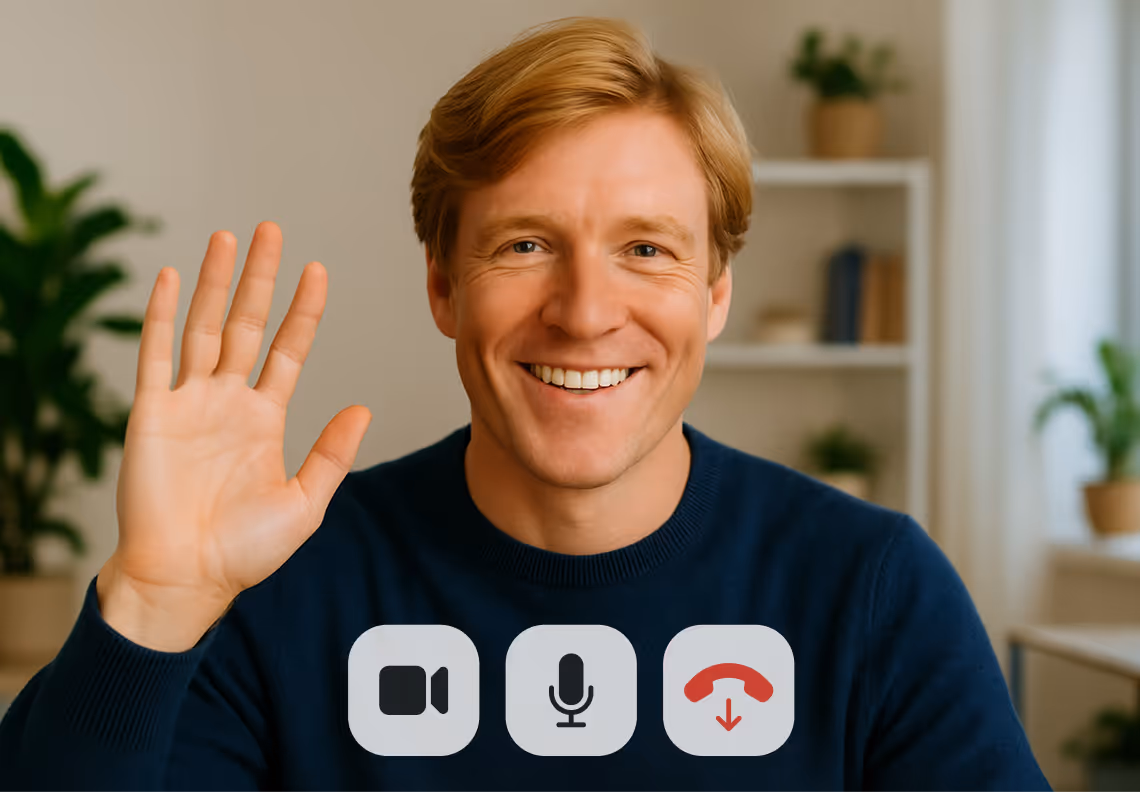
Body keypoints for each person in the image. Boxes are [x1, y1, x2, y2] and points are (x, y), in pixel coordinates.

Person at [0, 15, 1052, 791]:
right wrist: (151, 602)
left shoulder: (870, 591)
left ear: (716, 293)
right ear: (444, 287)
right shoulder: (279, 589)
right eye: (525, 245)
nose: (587, 312)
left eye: (646, 250)